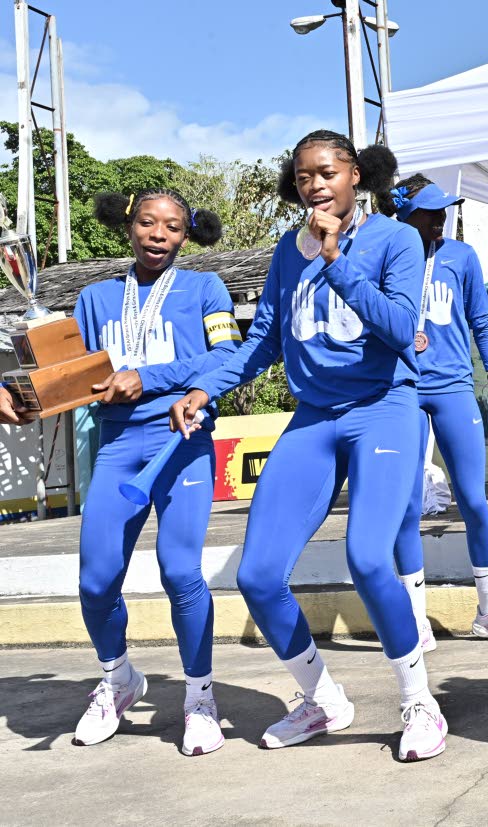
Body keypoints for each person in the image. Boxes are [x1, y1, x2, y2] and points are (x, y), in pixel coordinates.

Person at [169, 130, 447, 762]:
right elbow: (263, 340)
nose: (315, 185)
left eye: (326, 172)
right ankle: (323, 699)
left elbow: (404, 328)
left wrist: (335, 258)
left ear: (356, 176)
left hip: (384, 407)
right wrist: (203, 389)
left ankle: (418, 702)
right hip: (314, 417)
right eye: (302, 177)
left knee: (370, 557)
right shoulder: (285, 252)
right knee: (258, 575)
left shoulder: (397, 239)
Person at [21, 190, 234, 755]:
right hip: (117, 446)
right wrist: (22, 394)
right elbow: (71, 374)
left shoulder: (205, 289)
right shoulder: (94, 299)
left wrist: (150, 375)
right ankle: (118, 679)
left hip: (181, 442)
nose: (158, 234)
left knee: (181, 573)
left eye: (171, 226)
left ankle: (199, 697)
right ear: (129, 226)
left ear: (186, 236)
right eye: (147, 222)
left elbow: (226, 358)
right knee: (95, 582)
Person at [388, 173, 488, 645]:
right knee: (407, 506)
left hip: (452, 389)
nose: (441, 219)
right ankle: (413, 618)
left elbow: (480, 324)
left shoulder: (461, 256)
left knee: (473, 500)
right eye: (431, 212)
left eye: (443, 210)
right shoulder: (386, 256)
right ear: (406, 217)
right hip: (404, 389)